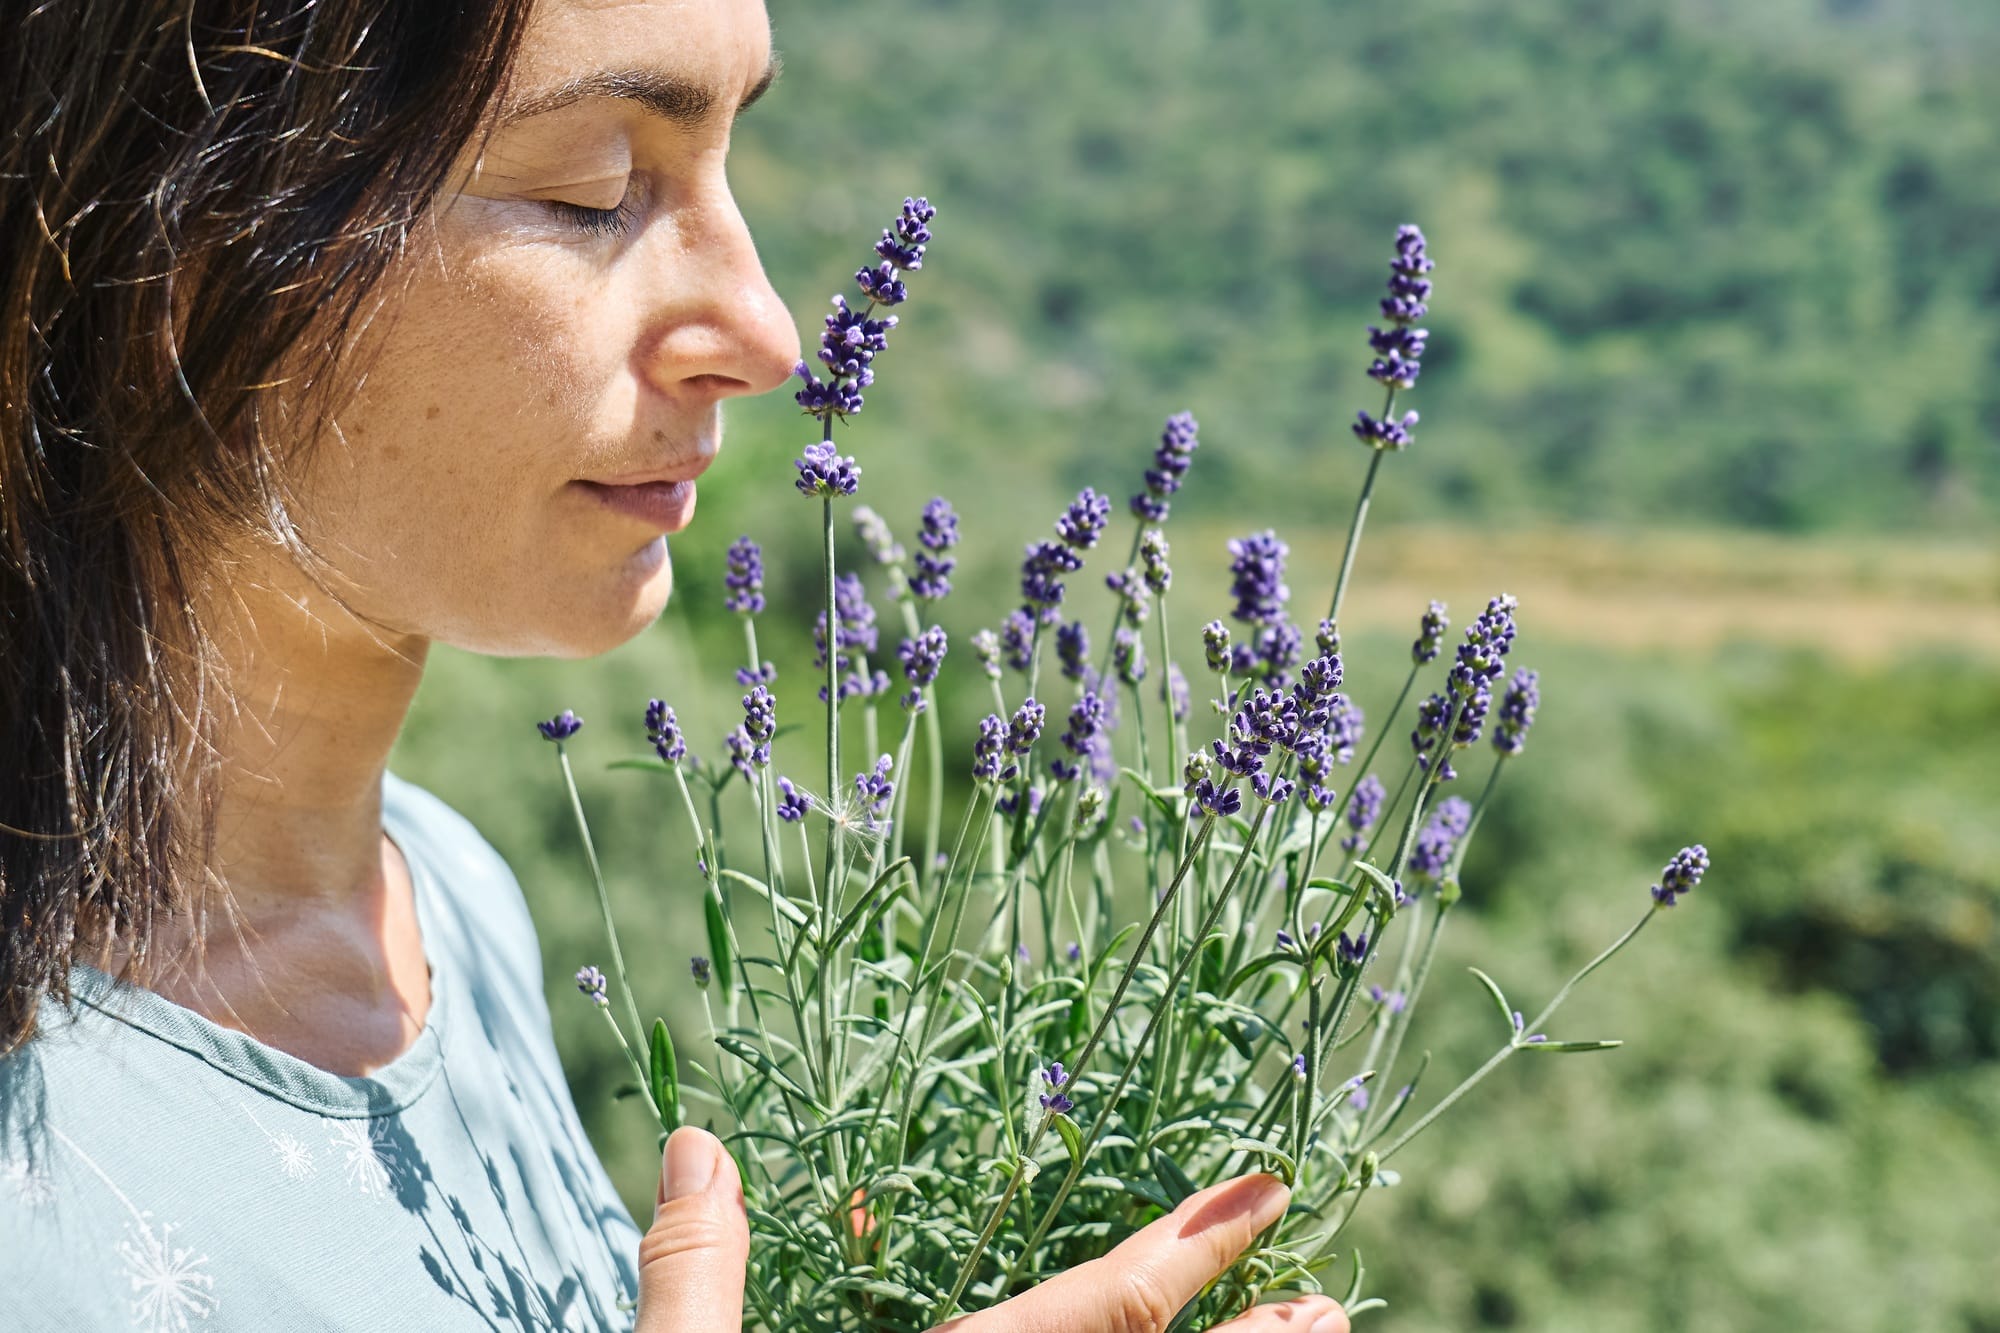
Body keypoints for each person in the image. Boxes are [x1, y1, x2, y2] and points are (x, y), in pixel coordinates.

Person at [0, 1, 1353, 1330]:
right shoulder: (36, 1188)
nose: (767, 331)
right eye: (594, 192)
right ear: (182, 257)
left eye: (727, 162)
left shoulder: (444, 899)